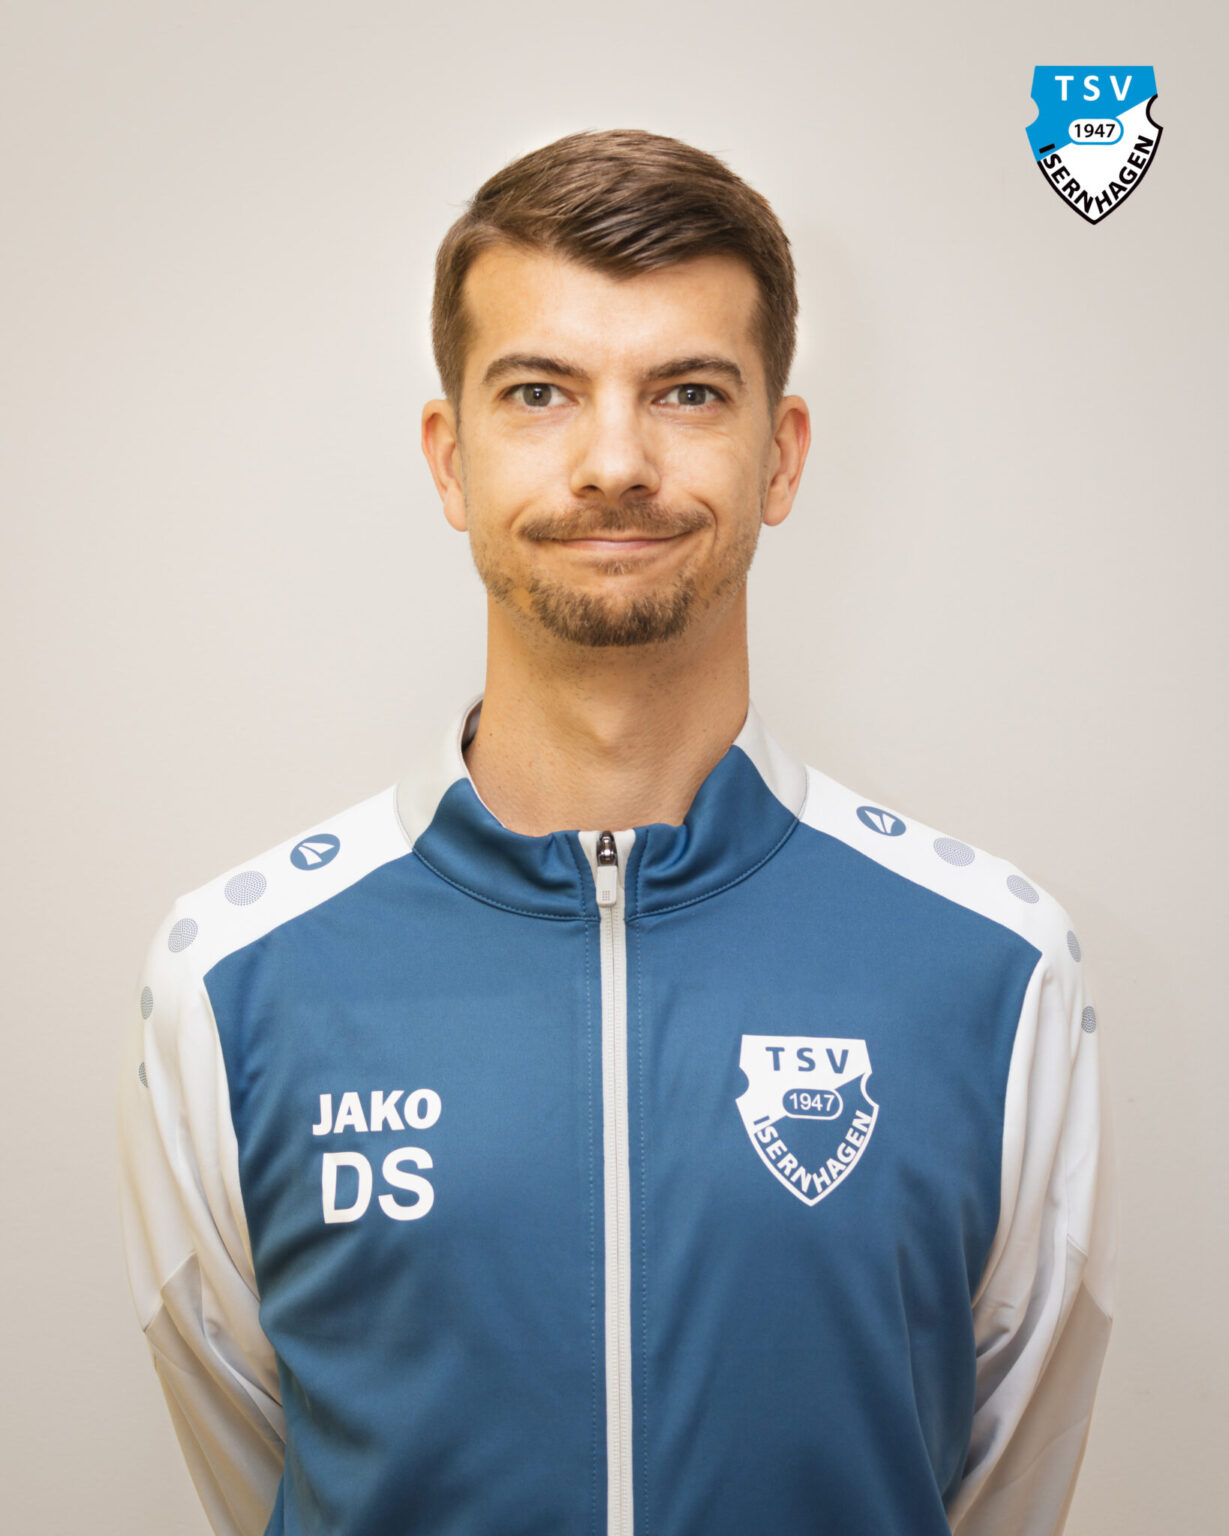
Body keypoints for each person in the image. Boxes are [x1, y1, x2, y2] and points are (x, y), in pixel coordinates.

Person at [117, 127, 1114, 1536]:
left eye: (687, 392)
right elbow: (277, 1476)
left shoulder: (996, 971)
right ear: (449, 459)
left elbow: (993, 1487)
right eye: (540, 393)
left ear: (781, 457)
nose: (613, 461)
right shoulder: (233, 982)